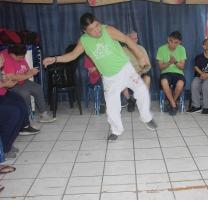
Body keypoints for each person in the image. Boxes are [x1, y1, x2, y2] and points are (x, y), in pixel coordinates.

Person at [43, 13, 157, 141]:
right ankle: (116, 130)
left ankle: (146, 118)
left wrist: (140, 56)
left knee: (142, 90)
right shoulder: (84, 41)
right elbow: (72, 55)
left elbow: (127, 40)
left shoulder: (108, 30)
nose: (97, 30)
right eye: (91, 29)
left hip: (126, 69)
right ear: (84, 31)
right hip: (109, 78)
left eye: (97, 25)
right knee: (112, 106)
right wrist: (55, 59)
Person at [0, 44, 55, 123]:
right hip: (11, 84)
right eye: (20, 57)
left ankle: (43, 114)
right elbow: (12, 77)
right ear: (12, 54)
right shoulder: (4, 58)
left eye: (23, 57)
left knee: (38, 88)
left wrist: (31, 72)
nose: (22, 59)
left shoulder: (19, 53)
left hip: (22, 80)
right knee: (24, 93)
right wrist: (28, 74)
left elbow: (26, 70)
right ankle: (26, 118)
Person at [1, 58, 39, 159]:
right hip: (2, 93)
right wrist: (5, 84)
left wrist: (7, 82)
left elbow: (5, 79)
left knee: (21, 104)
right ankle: (4, 148)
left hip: (3, 92)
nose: (3, 59)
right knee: (14, 112)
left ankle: (8, 142)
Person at [187, 39, 208, 114]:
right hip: (200, 76)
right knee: (194, 83)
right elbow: (196, 67)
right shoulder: (199, 57)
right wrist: (202, 74)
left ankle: (206, 107)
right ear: (204, 46)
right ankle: (196, 106)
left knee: (205, 85)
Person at [156, 31, 187, 116]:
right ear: (168, 39)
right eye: (170, 41)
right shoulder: (161, 49)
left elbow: (182, 67)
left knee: (180, 83)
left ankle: (171, 103)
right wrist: (169, 62)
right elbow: (161, 67)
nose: (172, 44)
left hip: (178, 73)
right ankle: (173, 105)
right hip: (165, 73)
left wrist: (175, 62)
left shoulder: (182, 49)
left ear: (180, 42)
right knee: (164, 81)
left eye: (176, 42)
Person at [121, 31, 152, 112]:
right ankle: (129, 100)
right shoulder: (122, 50)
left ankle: (135, 99)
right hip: (127, 74)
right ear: (127, 39)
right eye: (132, 39)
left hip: (140, 73)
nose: (134, 40)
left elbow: (148, 66)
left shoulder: (141, 49)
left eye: (136, 38)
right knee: (120, 80)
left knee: (147, 79)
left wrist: (141, 70)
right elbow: (119, 66)